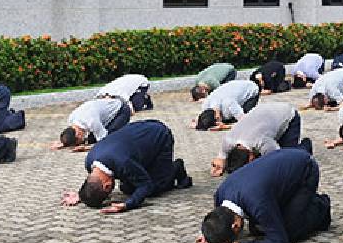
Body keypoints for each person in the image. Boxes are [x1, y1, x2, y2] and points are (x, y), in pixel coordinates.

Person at [198, 149, 331, 243]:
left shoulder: (257, 202)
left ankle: (321, 206)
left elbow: (280, 242)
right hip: (280, 166)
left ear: (236, 226)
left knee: (290, 231)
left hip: (305, 169)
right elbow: (216, 219)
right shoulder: (220, 195)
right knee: (259, 227)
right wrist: (209, 236)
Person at [62, 120, 191, 211]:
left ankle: (177, 168)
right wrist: (83, 195)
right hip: (138, 136)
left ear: (107, 186)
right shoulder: (89, 161)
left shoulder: (122, 163)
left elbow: (146, 185)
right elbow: (91, 182)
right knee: (128, 188)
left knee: (155, 188)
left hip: (158, 135)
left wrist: (128, 204)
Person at [211, 102, 310, 176]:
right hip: (263, 113)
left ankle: (305, 145)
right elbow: (221, 159)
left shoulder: (262, 142)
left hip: (287, 114)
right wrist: (220, 167)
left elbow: (279, 160)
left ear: (251, 157)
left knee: (290, 160)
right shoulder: (227, 141)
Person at [54, 97, 132, 151]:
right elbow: (69, 135)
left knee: (111, 138)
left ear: (78, 135)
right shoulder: (71, 119)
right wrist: (64, 142)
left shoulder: (91, 121)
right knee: (92, 139)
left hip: (121, 110)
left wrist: (86, 148)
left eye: (78, 142)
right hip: (105, 115)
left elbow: (104, 142)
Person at [195, 79, 260, 130]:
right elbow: (201, 116)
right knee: (229, 118)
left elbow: (244, 122)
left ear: (217, 120)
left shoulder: (228, 103)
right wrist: (198, 123)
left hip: (251, 89)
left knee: (244, 117)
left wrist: (226, 126)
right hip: (234, 88)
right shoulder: (206, 105)